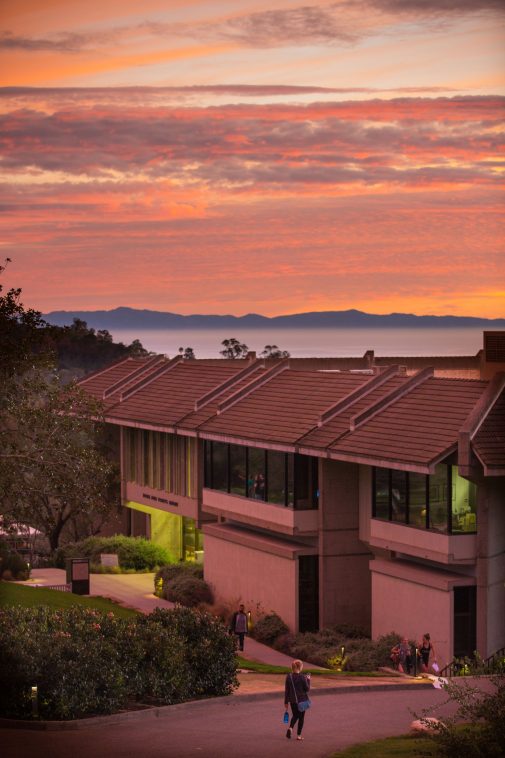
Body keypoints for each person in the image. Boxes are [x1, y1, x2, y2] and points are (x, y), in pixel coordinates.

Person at [284, 659, 311, 741]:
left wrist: (286, 702)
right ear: (300, 667)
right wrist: (308, 679)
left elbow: (287, 690)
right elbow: (307, 689)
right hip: (302, 700)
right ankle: (299, 736)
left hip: (293, 701)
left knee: (295, 715)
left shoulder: (289, 676)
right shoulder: (302, 677)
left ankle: (290, 728)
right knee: (301, 717)